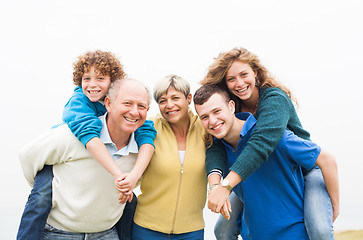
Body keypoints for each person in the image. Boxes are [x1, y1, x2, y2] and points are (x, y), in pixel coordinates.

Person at [200, 47, 339, 239]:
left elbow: (261, 143)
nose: (239, 83)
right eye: (231, 79)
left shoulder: (275, 100)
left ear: (255, 73)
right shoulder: (231, 106)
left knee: (321, 231)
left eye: (244, 75)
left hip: (304, 169)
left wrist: (226, 186)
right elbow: (215, 145)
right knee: (222, 230)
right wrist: (215, 186)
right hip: (253, 172)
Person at [17, 51, 156, 240]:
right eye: (87, 78)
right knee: (40, 196)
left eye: (100, 78)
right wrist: (54, 188)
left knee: (130, 203)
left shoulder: (137, 133)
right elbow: (28, 158)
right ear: (109, 103)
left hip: (105, 233)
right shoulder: (77, 112)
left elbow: (147, 134)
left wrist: (130, 179)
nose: (92, 84)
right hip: (58, 231)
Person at [132, 75, 207, 240]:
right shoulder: (148, 129)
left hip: (191, 231)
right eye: (162, 100)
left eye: (175, 98)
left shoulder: (206, 130)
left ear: (189, 99)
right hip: (146, 229)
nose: (169, 105)